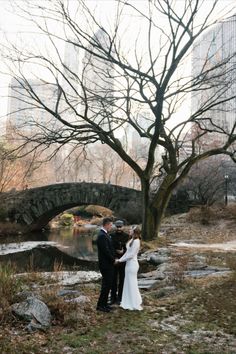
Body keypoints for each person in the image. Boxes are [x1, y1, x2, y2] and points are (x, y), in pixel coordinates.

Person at [116, 226, 143, 311]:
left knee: (131, 282)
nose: (129, 230)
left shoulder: (136, 242)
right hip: (128, 264)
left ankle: (133, 302)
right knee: (128, 282)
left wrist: (120, 261)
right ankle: (128, 301)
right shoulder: (131, 240)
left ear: (134, 232)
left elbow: (131, 255)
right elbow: (127, 252)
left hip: (132, 265)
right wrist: (120, 259)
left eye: (131, 230)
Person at [96, 217, 116, 313]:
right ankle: (100, 305)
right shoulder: (102, 236)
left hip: (108, 264)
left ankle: (104, 304)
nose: (111, 227)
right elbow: (106, 251)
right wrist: (114, 260)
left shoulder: (105, 234)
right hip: (106, 265)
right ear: (106, 224)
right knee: (106, 285)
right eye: (110, 225)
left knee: (108, 285)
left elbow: (110, 249)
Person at [110, 220, 129, 305]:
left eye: (120, 227)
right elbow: (109, 248)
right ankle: (113, 298)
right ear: (115, 227)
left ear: (123, 227)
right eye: (117, 227)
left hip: (123, 261)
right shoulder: (111, 235)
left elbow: (129, 250)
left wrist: (123, 251)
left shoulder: (127, 236)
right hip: (114, 261)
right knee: (113, 280)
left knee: (122, 280)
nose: (119, 228)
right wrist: (115, 251)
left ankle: (120, 298)